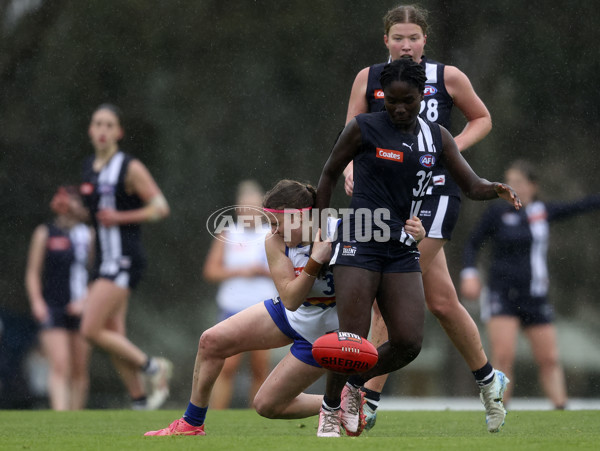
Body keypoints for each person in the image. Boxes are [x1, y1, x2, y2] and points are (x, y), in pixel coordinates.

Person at [314, 57, 521, 438]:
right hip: (361, 236)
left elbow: (470, 184)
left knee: (409, 342)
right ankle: (329, 410)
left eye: (406, 100)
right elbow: (328, 174)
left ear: (421, 95)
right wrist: (318, 229)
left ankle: (354, 386)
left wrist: (495, 189)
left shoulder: (437, 136)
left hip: (403, 244)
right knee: (352, 338)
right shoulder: (362, 128)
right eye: (390, 101)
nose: (398, 108)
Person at [144, 179, 425, 436]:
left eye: (278, 222)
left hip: (324, 335)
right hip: (291, 313)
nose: (272, 230)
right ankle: (191, 424)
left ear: (301, 215)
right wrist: (315, 261)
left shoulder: (343, 230)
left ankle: (337, 405)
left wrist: (415, 234)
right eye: (270, 222)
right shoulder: (274, 241)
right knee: (210, 341)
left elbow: (389, 241)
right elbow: (291, 299)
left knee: (266, 405)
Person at [342, 4, 503, 432]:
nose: (406, 45)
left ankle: (364, 398)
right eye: (399, 37)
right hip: (387, 197)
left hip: (436, 195)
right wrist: (350, 167)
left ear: (425, 40)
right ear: (386, 41)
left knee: (387, 297)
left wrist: (446, 153)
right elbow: (351, 130)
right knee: (442, 302)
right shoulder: (369, 77)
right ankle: (489, 380)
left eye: (414, 37)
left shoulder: (448, 77)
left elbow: (482, 118)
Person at [460, 160, 600, 409]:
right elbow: (472, 244)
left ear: (533, 186)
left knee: (549, 358)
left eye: (519, 182)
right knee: (503, 356)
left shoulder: (542, 211)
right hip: (501, 294)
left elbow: (580, 206)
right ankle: (499, 410)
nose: (512, 187)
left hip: (534, 295)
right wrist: (469, 273)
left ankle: (561, 409)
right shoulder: (497, 213)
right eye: (508, 182)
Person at [79, 103, 172, 410]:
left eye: (109, 125)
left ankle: (153, 367)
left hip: (124, 260)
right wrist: (74, 212)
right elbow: (95, 216)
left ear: (118, 132)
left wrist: (121, 217)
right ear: (90, 130)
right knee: (113, 333)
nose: (102, 130)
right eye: (97, 124)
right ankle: (140, 400)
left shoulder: (129, 166)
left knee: (90, 330)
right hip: (102, 261)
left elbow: (160, 207)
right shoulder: (88, 167)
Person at [202, 180, 277, 409]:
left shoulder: (272, 235)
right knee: (227, 367)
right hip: (232, 308)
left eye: (254, 208)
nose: (249, 213)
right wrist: (242, 271)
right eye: (244, 207)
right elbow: (211, 271)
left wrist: (264, 272)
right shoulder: (228, 233)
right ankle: (217, 416)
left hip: (264, 309)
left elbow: (287, 273)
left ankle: (259, 418)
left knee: (259, 368)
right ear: (237, 209)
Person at [25, 186, 93, 410]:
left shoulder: (88, 235)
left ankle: (76, 418)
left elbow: (96, 274)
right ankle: (60, 417)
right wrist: (37, 302)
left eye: (73, 200)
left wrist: (84, 301)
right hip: (53, 305)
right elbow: (33, 272)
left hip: (82, 308)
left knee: (79, 368)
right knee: (60, 364)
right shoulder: (45, 232)